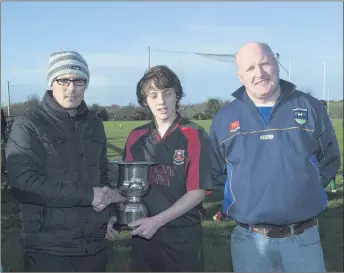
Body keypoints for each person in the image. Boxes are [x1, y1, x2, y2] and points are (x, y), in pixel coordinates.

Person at [209, 42, 341, 272]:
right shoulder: (224, 118)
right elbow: (214, 172)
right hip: (249, 243)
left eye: (265, 63)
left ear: (277, 64)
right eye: (250, 68)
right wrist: (245, 198)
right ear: (240, 76)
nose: (259, 73)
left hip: (303, 239)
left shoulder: (309, 107)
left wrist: (304, 189)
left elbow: (330, 158)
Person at [5, 51, 125, 272]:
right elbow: (23, 184)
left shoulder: (94, 124)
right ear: (52, 82)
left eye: (79, 80)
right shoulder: (28, 125)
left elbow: (102, 176)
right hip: (49, 250)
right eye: (64, 80)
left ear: (86, 84)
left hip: (94, 248)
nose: (71, 87)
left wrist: (110, 215)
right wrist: (89, 195)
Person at [107, 65, 213, 272]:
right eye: (153, 95)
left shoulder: (194, 134)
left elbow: (198, 191)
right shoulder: (136, 137)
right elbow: (127, 190)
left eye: (167, 93)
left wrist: (157, 221)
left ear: (177, 96)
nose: (161, 101)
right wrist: (113, 213)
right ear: (145, 101)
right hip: (144, 234)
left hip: (182, 235)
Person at [319, 100, 337, 192]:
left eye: (325, 107)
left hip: (327, 145)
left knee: (329, 165)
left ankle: (333, 187)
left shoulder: (329, 120)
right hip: (317, 147)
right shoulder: (314, 118)